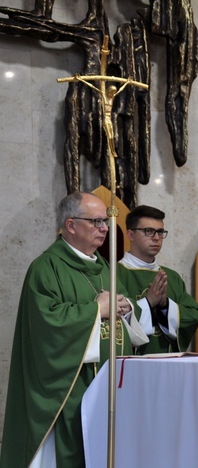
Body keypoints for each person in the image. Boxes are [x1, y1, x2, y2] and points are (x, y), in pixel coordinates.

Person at [0, 192, 145, 468]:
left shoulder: (103, 267)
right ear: (70, 225)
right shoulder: (46, 267)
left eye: (105, 221)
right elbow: (46, 325)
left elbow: (121, 314)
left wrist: (125, 309)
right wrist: (96, 311)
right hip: (67, 389)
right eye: (97, 221)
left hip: (107, 385)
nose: (104, 228)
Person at [117, 205, 198, 354]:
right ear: (130, 235)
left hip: (168, 364)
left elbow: (193, 315)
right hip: (131, 367)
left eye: (160, 232)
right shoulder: (114, 274)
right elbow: (114, 323)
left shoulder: (171, 277)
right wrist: (148, 302)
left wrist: (165, 305)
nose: (156, 238)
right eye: (149, 231)